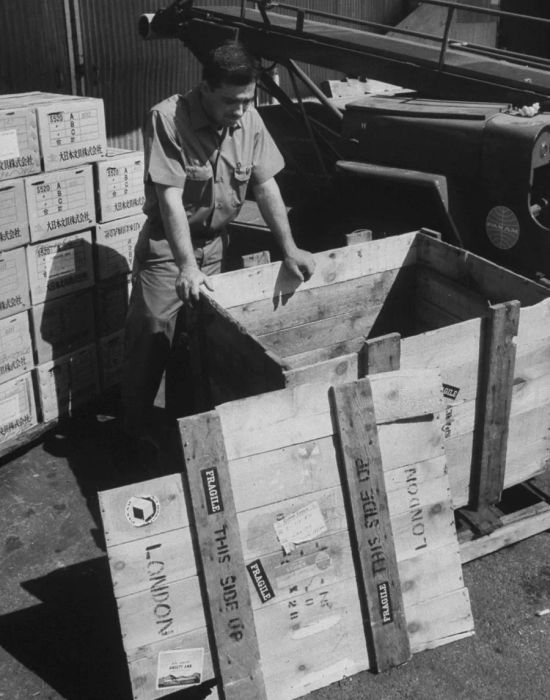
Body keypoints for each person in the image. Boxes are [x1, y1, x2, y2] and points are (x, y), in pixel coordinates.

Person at [121, 41, 316, 445]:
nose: (240, 110)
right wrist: (186, 266)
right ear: (205, 87)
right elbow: (170, 199)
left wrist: (290, 248)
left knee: (196, 345)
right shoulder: (168, 118)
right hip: (167, 250)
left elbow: (265, 186)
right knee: (153, 338)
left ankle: (181, 433)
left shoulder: (250, 120)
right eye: (230, 101)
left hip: (214, 248)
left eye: (247, 100)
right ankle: (131, 436)